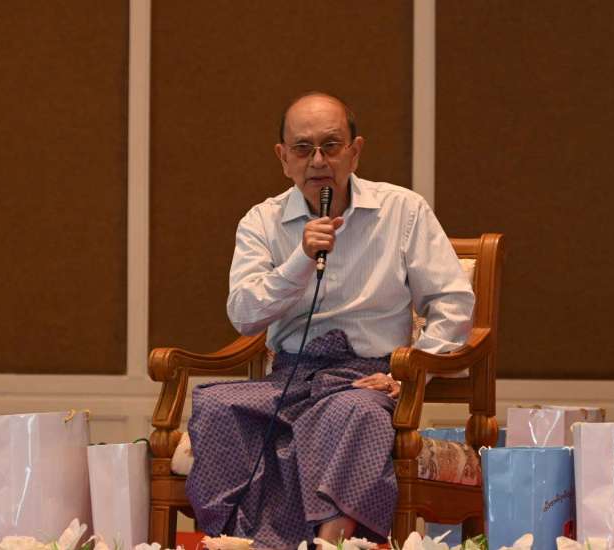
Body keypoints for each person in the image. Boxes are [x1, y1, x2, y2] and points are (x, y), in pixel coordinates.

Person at [185, 92, 474, 549]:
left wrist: (408, 375)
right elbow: (243, 316)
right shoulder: (262, 221)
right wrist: (300, 260)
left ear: (355, 152)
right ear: (283, 158)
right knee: (218, 407)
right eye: (303, 148)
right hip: (291, 377)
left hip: (368, 378)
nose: (317, 161)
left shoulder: (403, 210)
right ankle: (239, 542)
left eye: (331, 146)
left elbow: (452, 302)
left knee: (351, 412)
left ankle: (330, 545)